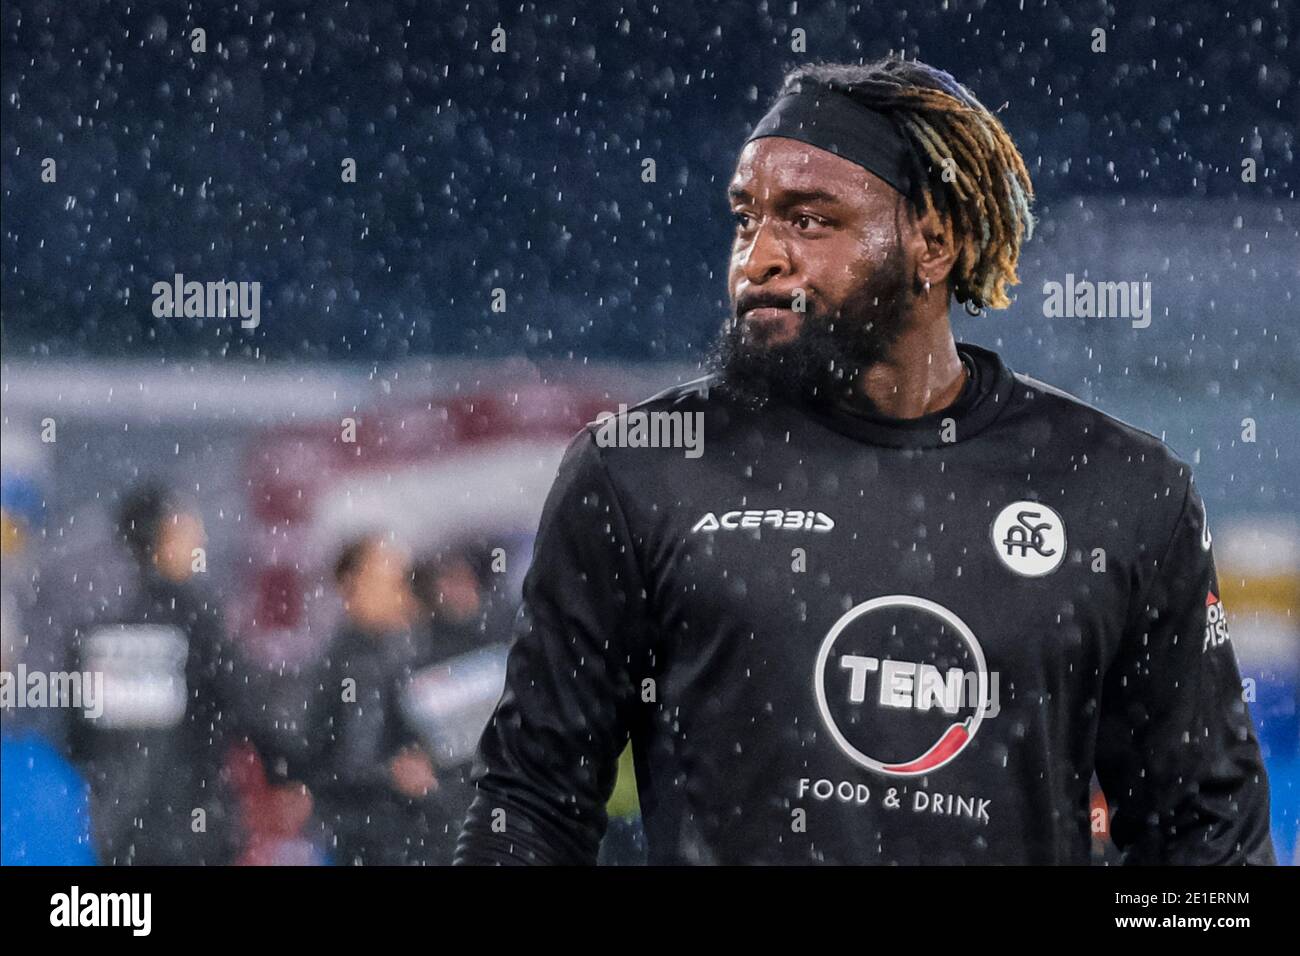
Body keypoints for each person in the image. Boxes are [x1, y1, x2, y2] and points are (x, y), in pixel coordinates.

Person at [456, 57, 1276, 865]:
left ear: (934, 242)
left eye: (809, 220)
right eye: (747, 218)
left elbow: (1208, 841)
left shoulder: (1119, 487)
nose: (759, 259)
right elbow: (528, 807)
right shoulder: (638, 470)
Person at [66, 482, 239, 864]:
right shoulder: (198, 622)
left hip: (120, 831)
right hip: (195, 828)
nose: (201, 540)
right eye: (189, 529)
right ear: (163, 540)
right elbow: (239, 705)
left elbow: (77, 738)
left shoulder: (100, 631)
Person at [309, 534, 446, 865]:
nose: (400, 593)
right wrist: (392, 775)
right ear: (352, 586)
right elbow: (333, 758)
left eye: (401, 581)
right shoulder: (346, 665)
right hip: (371, 839)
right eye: (386, 580)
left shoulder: (418, 648)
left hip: (419, 835)